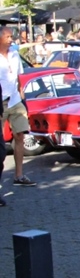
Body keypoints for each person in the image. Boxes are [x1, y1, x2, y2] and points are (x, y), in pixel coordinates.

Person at [0, 26, 37, 191]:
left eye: (11, 37)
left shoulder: (15, 54)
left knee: (20, 135)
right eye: (7, 37)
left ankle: (19, 175)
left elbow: (18, 78)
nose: (11, 40)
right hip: (0, 102)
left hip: (15, 100)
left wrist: (22, 97)